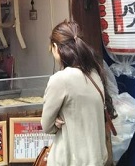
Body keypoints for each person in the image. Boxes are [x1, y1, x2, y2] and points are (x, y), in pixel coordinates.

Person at [41, 19, 111, 166]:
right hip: (96, 159)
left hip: (71, 161)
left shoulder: (60, 79)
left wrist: (56, 121)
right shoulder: (94, 73)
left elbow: (47, 125)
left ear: (55, 47)